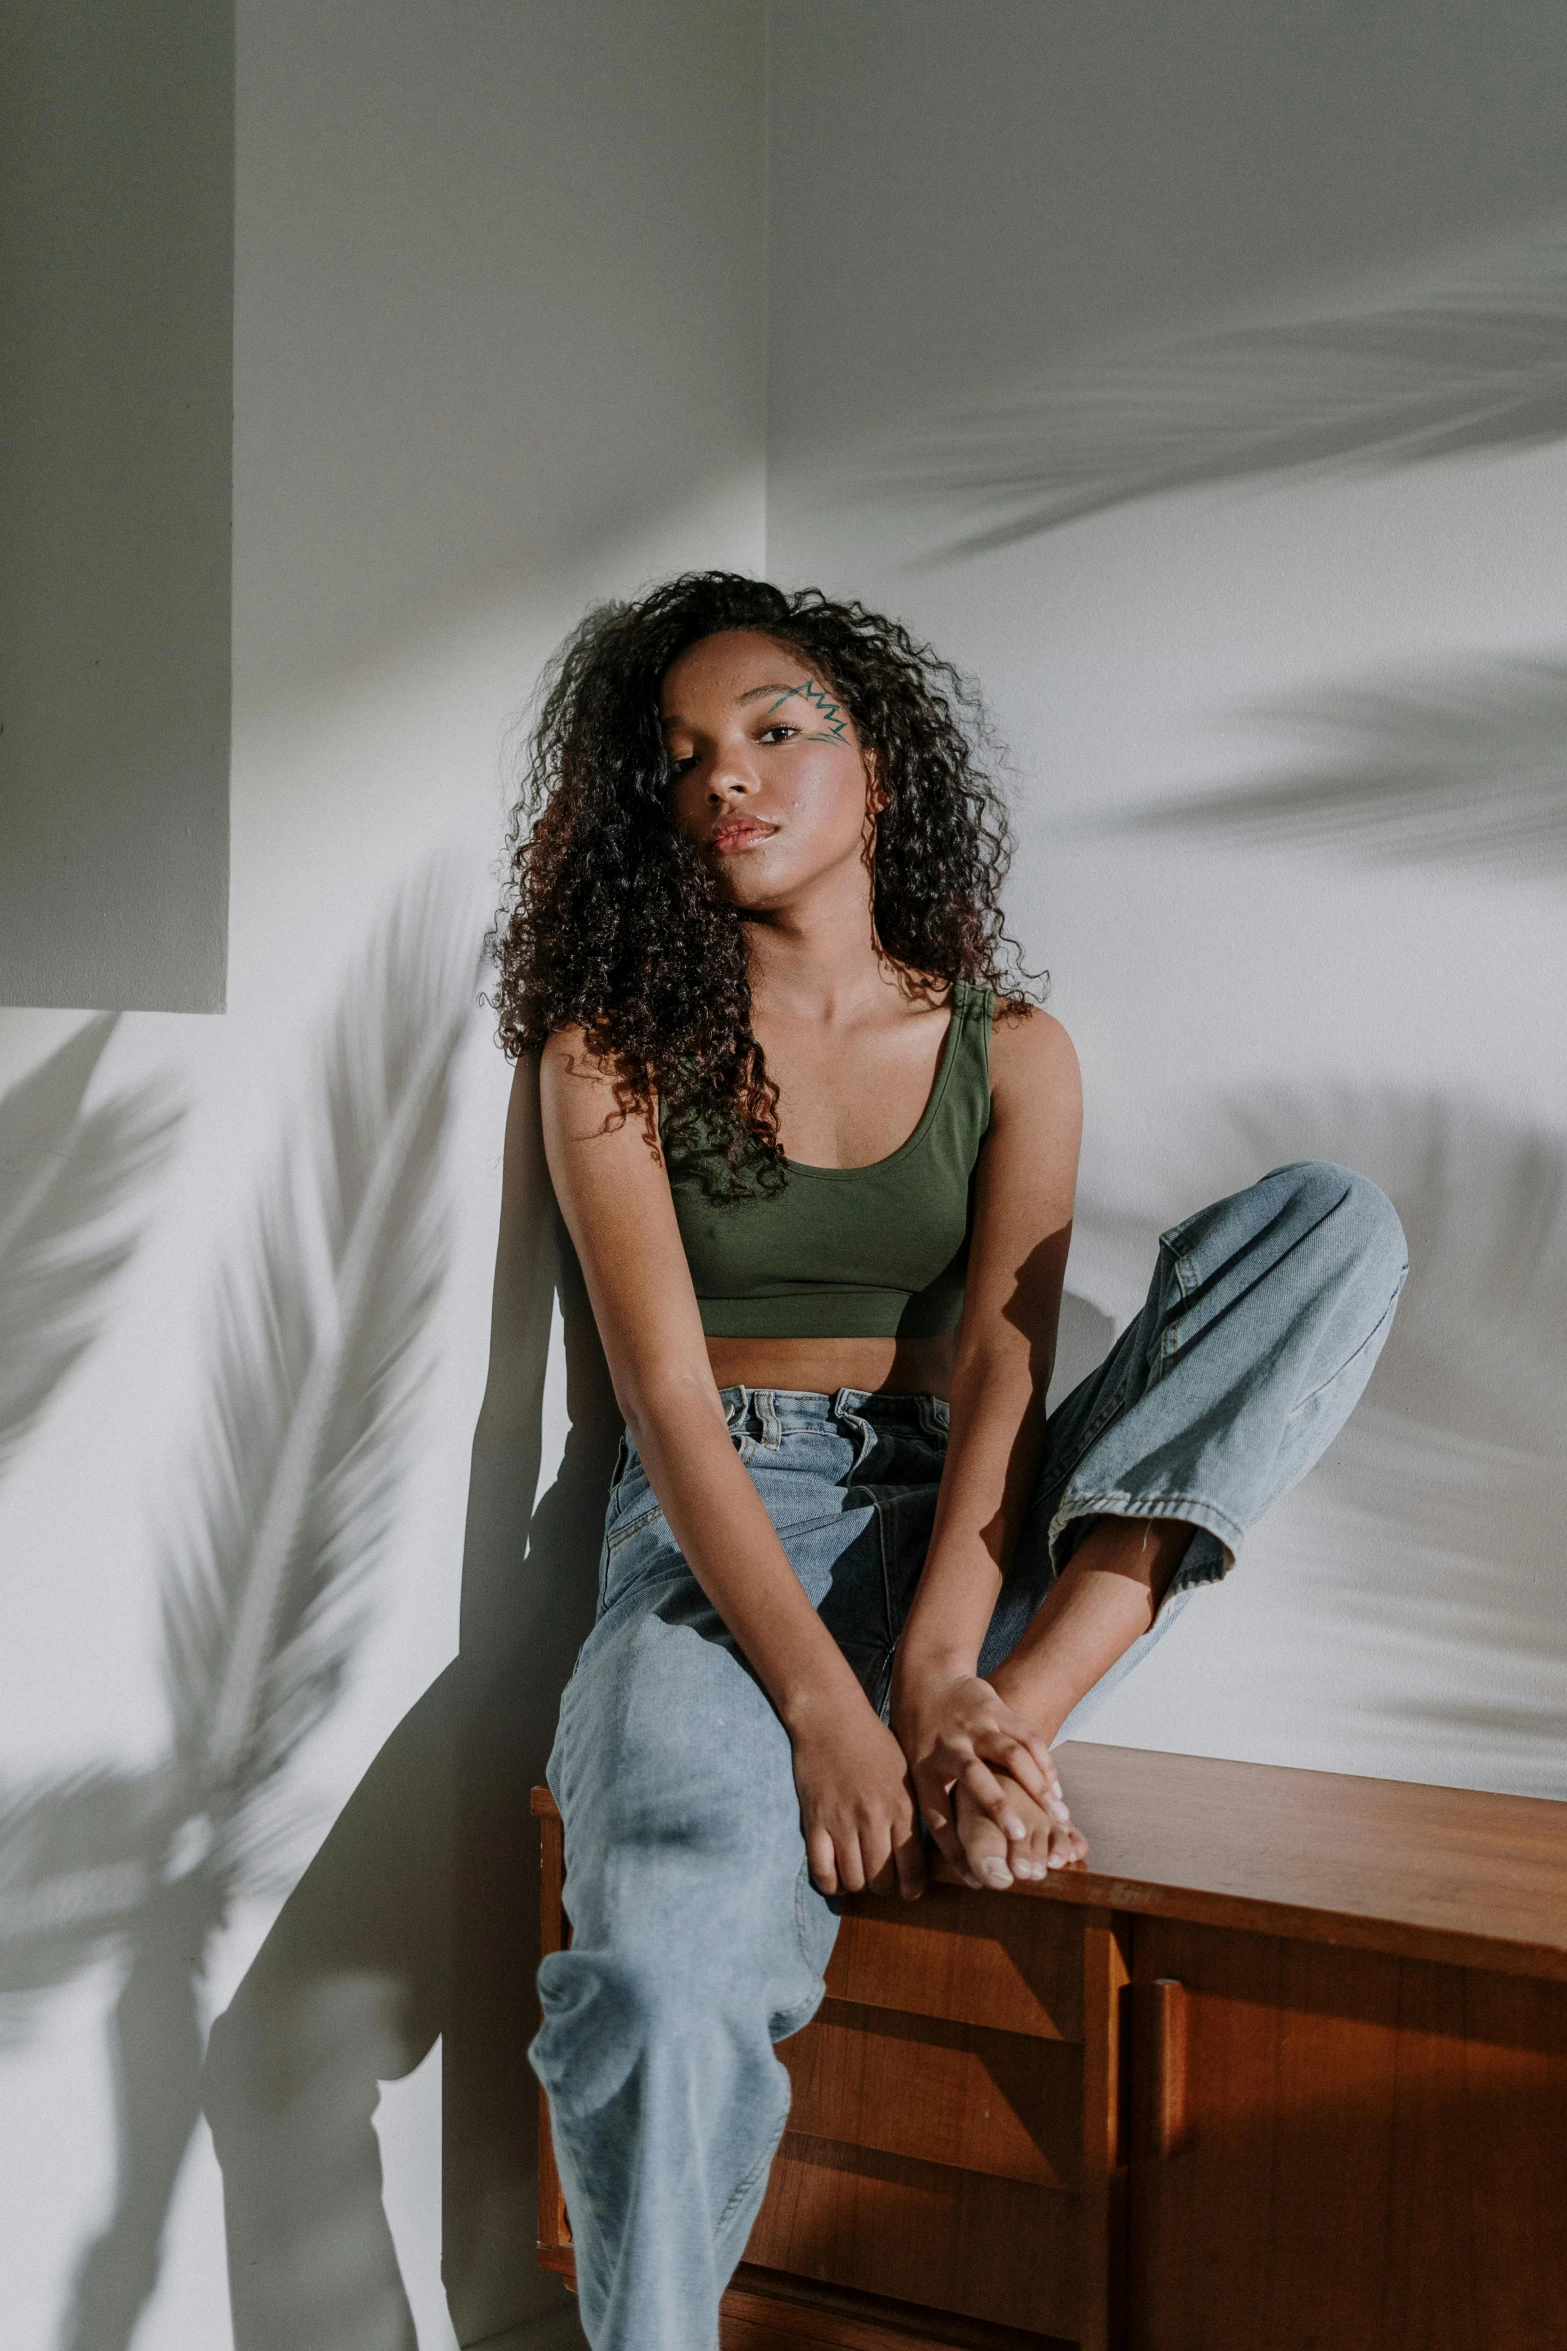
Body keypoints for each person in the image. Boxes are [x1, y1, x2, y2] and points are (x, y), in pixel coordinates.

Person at [489, 573, 1407, 2351]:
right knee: (658, 1978)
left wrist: (929, 1666)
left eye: (773, 729)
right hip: (715, 1542)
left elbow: (1002, 1359)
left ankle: (1002, 1730)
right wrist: (829, 1713)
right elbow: (665, 1405)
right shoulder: (612, 1050)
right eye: (680, 759)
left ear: (881, 767)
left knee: (1329, 1226)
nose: (725, 781)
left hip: (972, 1525)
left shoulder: (1013, 1049)